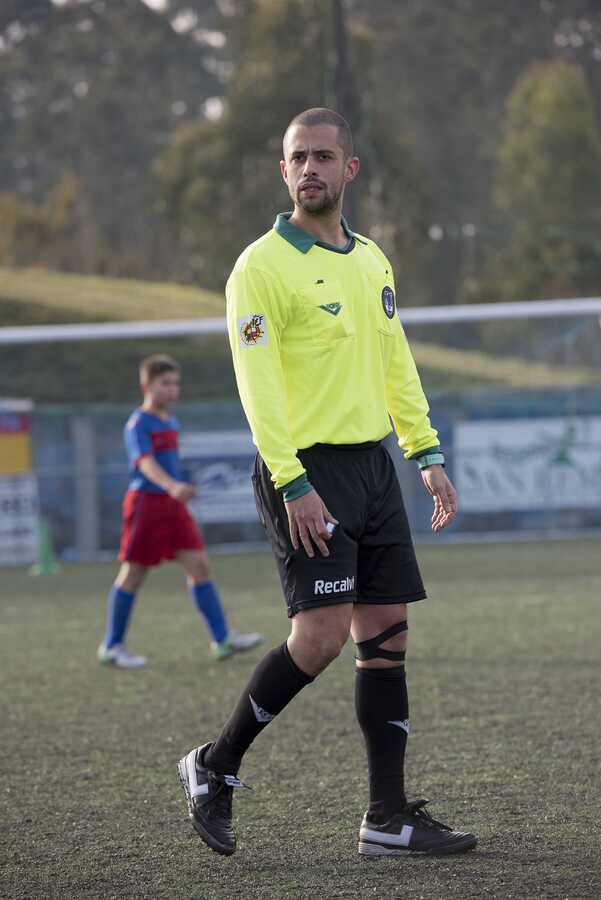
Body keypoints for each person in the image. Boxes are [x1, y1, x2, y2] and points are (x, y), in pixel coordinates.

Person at [178, 109, 477, 857]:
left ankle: (387, 818)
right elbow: (256, 388)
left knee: (387, 636)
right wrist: (293, 482)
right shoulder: (259, 268)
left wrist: (425, 451)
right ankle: (214, 765)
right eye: (297, 158)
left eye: (322, 156)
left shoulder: (372, 260)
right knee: (317, 639)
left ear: (350, 168)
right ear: (283, 171)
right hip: (305, 472)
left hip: (373, 466)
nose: (309, 168)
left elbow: (394, 360)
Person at [97, 354, 262, 668]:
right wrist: (172, 485)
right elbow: (145, 462)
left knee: (199, 566)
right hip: (147, 504)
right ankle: (112, 646)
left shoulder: (170, 421)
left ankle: (222, 638)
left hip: (174, 507)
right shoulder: (138, 423)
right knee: (133, 573)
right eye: (165, 383)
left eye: (175, 383)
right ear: (146, 385)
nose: (172, 390)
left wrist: (180, 486)